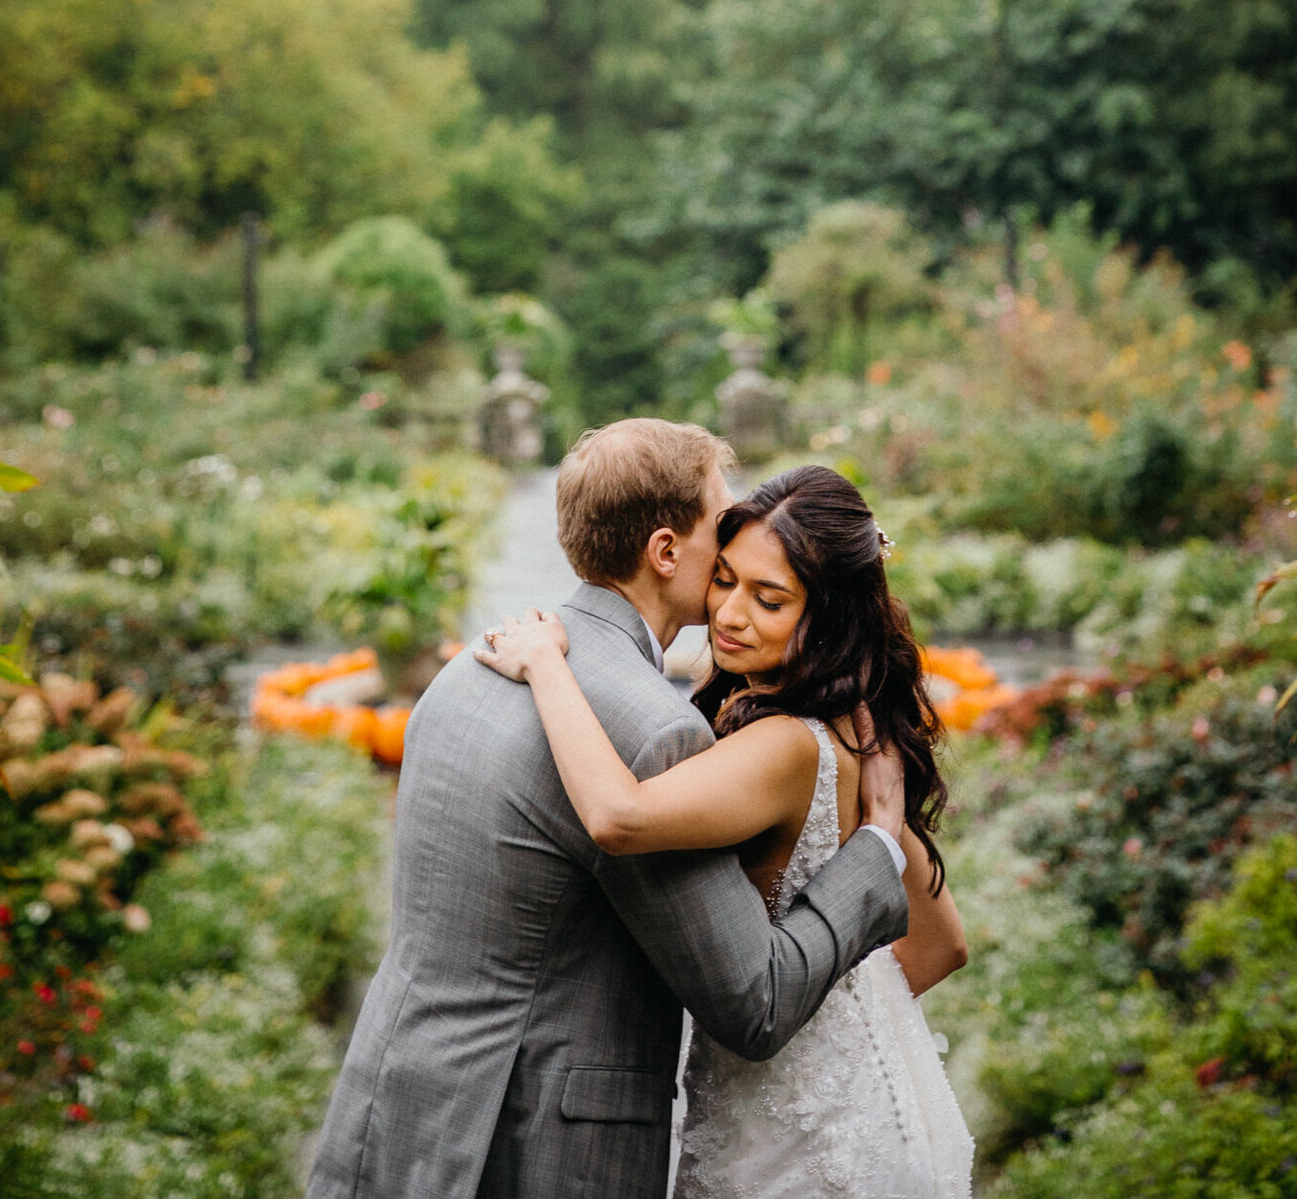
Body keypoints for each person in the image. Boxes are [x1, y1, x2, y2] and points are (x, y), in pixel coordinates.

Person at [305, 421, 911, 1199]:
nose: (735, 537)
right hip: (533, 1146)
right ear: (666, 552)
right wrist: (877, 847)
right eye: (721, 521)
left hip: (397, 1107)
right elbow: (755, 1004)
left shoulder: (470, 668)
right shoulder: (652, 732)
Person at [478, 462, 975, 1199]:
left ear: (832, 615)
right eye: (725, 580)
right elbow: (943, 944)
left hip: (797, 1146)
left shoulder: (784, 748)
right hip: (868, 1110)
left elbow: (618, 816)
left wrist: (548, 667)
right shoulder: (860, 733)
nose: (731, 615)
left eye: (769, 600)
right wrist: (838, 1016)